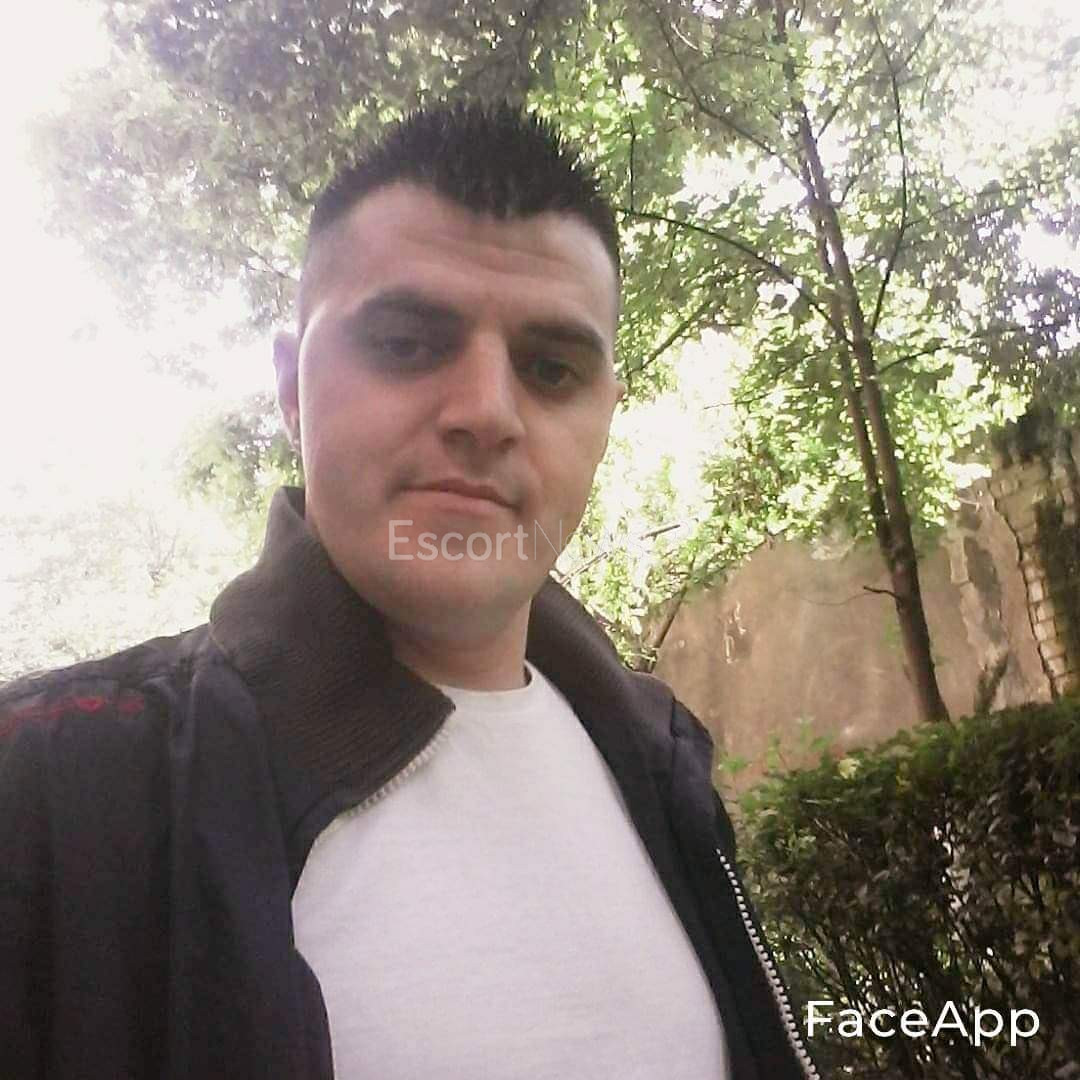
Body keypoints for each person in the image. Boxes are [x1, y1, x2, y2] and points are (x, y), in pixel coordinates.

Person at [0, 101, 819, 1079]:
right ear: (292, 389)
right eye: (404, 342)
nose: (487, 412)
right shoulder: (52, 795)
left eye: (550, 368)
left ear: (605, 416)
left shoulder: (661, 761)